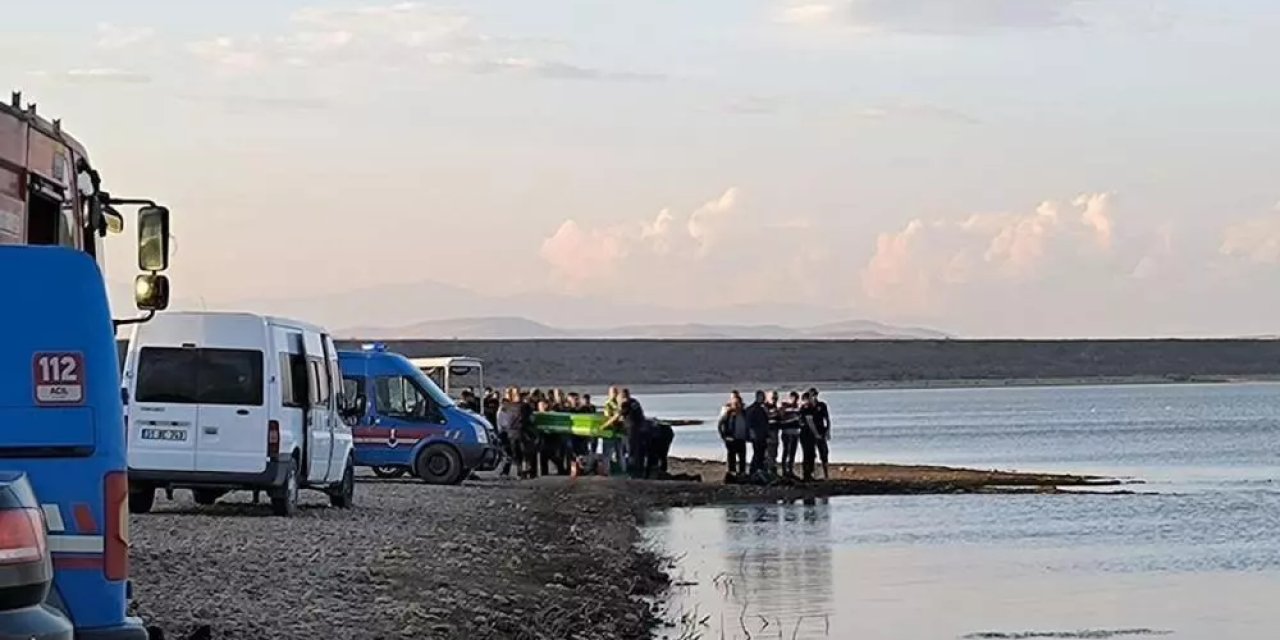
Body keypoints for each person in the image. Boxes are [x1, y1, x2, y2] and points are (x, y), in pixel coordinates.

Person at [717, 391, 749, 480]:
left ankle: (742, 474)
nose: (737, 405)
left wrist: (748, 435)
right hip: (732, 439)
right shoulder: (728, 414)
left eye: (738, 403)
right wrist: (724, 436)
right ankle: (732, 474)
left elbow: (749, 425)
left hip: (741, 439)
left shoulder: (744, 413)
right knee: (732, 458)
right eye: (735, 404)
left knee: (742, 458)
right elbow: (720, 425)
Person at [619, 388, 650, 479]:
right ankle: (639, 470)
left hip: (631, 429)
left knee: (630, 450)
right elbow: (641, 415)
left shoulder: (626, 404)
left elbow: (620, 415)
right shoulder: (635, 402)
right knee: (638, 450)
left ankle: (632, 472)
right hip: (639, 428)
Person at [495, 387, 524, 478]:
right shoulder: (504, 408)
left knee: (515, 453)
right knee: (510, 453)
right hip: (507, 433)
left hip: (514, 432)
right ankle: (506, 471)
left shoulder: (517, 407)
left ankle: (512, 471)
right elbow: (503, 422)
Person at [745, 390, 771, 480]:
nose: (764, 399)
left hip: (763, 435)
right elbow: (749, 424)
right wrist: (752, 435)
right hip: (757, 436)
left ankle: (759, 471)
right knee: (757, 454)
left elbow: (766, 423)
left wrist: (767, 435)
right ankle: (754, 471)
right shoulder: (753, 409)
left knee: (761, 454)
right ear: (758, 397)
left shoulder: (762, 408)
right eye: (762, 397)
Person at [600, 386, 625, 474]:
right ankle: (620, 471)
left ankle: (607, 471)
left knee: (609, 454)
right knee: (618, 453)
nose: (614, 394)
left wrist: (603, 427)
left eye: (614, 392)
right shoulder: (618, 404)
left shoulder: (610, 404)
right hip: (617, 432)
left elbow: (609, 418)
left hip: (611, 432)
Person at [779, 390, 802, 480]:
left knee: (792, 452)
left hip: (795, 432)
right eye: (793, 398)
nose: (795, 400)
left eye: (796, 399)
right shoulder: (784, 407)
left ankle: (790, 470)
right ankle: (785, 471)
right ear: (790, 398)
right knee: (786, 452)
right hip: (787, 432)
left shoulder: (797, 408)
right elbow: (780, 416)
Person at [809, 387, 831, 479]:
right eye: (812, 395)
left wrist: (828, 431)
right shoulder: (808, 407)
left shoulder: (822, 405)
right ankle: (812, 473)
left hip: (821, 432)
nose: (814, 397)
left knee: (824, 453)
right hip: (810, 434)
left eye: (815, 395)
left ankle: (826, 474)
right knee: (811, 454)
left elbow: (827, 419)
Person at [798, 391, 820, 481]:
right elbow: (810, 421)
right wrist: (816, 434)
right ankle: (807, 474)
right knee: (808, 454)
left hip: (806, 434)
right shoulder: (806, 408)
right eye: (809, 399)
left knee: (811, 454)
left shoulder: (806, 408)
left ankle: (809, 473)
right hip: (806, 434)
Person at [764, 390, 782, 476]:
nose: (774, 399)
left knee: (774, 453)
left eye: (776, 398)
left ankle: (772, 470)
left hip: (775, 433)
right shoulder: (764, 408)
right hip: (767, 434)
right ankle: (767, 471)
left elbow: (780, 420)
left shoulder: (776, 408)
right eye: (772, 398)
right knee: (767, 453)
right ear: (767, 398)